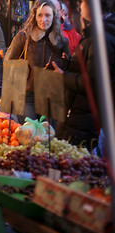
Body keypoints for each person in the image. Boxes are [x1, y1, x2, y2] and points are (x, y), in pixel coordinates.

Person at [53, 0, 115, 150]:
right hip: (78, 116)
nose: (80, 6)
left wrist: (63, 76)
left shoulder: (101, 38)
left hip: (85, 119)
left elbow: (95, 82)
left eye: (83, 2)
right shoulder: (94, 34)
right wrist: (69, 64)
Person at [4, 0, 70, 124]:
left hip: (51, 95)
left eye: (47, 15)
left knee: (48, 137)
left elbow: (66, 69)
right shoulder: (24, 37)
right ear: (34, 16)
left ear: (54, 16)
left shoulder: (62, 41)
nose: (43, 19)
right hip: (27, 95)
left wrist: (62, 65)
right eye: (40, 15)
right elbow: (8, 62)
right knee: (29, 136)